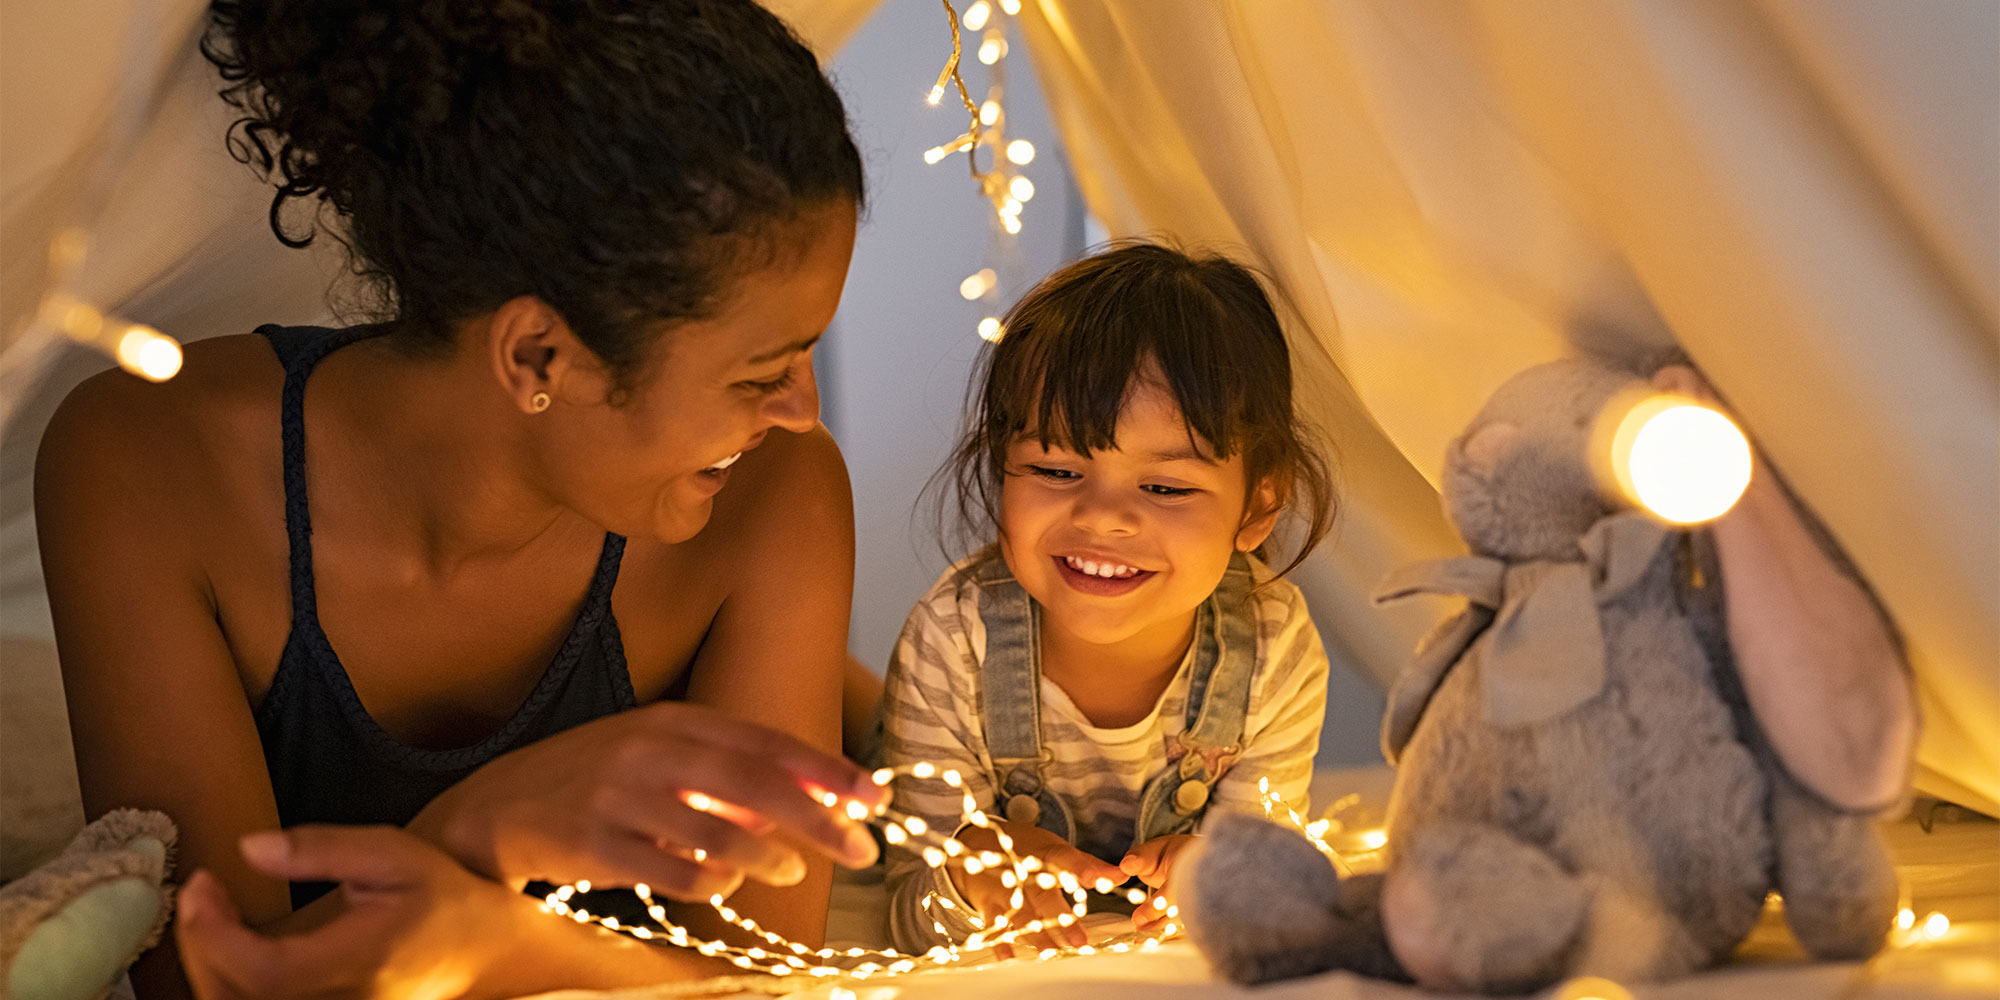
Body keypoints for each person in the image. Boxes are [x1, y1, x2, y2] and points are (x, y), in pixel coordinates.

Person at [34, 1, 886, 996]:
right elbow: (210, 984)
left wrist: (492, 932)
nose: (799, 410)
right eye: (760, 373)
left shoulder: (775, 498)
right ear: (540, 355)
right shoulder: (150, 465)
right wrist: (482, 828)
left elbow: (762, 980)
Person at [880, 243, 1340, 954]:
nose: (1102, 517)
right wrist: (972, 878)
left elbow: (1269, 888)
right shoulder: (954, 639)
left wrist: (1219, 882)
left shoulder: (1273, 648)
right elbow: (909, 911)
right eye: (1056, 470)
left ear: (1257, 506)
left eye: (1165, 487)